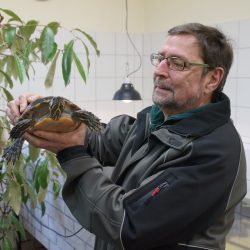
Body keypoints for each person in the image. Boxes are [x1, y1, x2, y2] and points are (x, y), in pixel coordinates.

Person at [6, 23, 247, 250]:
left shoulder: (213, 152)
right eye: (160, 58)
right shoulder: (153, 119)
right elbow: (99, 140)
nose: (159, 71)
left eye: (177, 63)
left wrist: (71, 152)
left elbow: (128, 224)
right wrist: (47, 113)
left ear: (213, 79)